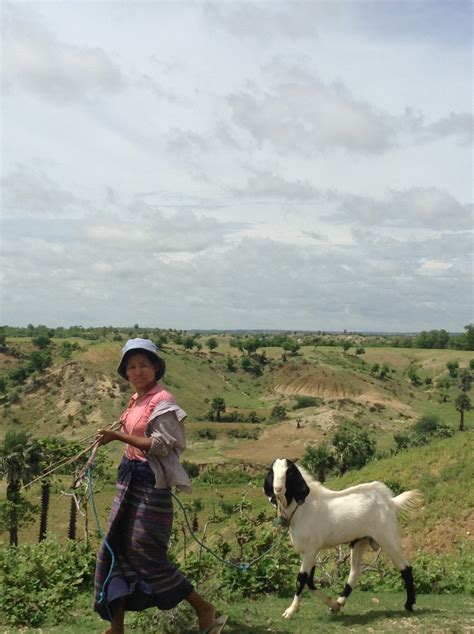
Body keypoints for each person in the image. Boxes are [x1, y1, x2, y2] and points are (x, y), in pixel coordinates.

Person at [94, 338, 227, 634]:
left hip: (151, 485)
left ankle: (203, 608)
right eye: (132, 366)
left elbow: (162, 446)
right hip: (129, 480)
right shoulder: (136, 400)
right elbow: (133, 429)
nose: (138, 371)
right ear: (125, 372)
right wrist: (115, 432)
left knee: (145, 551)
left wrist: (118, 438)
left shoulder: (162, 400)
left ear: (156, 367)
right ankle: (117, 627)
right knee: (115, 546)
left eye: (144, 365)